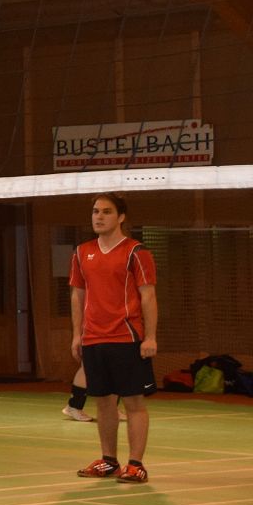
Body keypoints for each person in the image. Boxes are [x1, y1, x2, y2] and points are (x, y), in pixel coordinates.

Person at [70, 193, 158, 482]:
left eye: (106, 212)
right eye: (96, 211)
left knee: (133, 402)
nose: (99, 216)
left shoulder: (136, 252)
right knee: (104, 402)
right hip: (94, 339)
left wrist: (150, 337)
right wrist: (77, 334)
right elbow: (77, 295)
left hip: (127, 338)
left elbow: (148, 296)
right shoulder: (82, 252)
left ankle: (136, 464)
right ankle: (109, 461)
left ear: (121, 217)